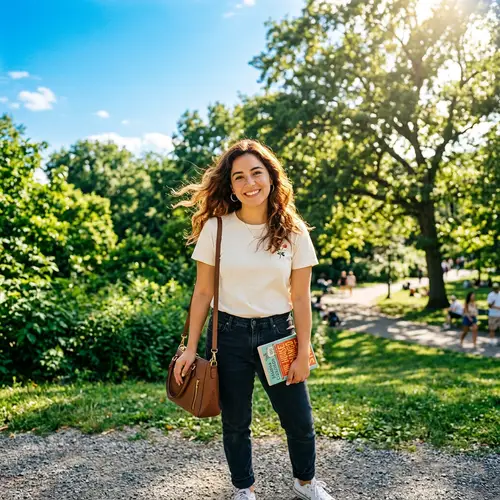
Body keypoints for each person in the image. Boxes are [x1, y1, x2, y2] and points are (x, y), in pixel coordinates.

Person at [172, 140, 333, 500]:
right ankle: (244, 489)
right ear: (230, 186)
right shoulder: (216, 228)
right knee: (235, 423)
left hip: (278, 335)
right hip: (228, 335)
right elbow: (202, 294)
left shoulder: (294, 231)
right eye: (239, 176)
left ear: (271, 177)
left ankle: (305, 483)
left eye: (256, 173)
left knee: (299, 420)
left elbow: (301, 297)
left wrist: (304, 349)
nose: (250, 183)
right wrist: (189, 349)